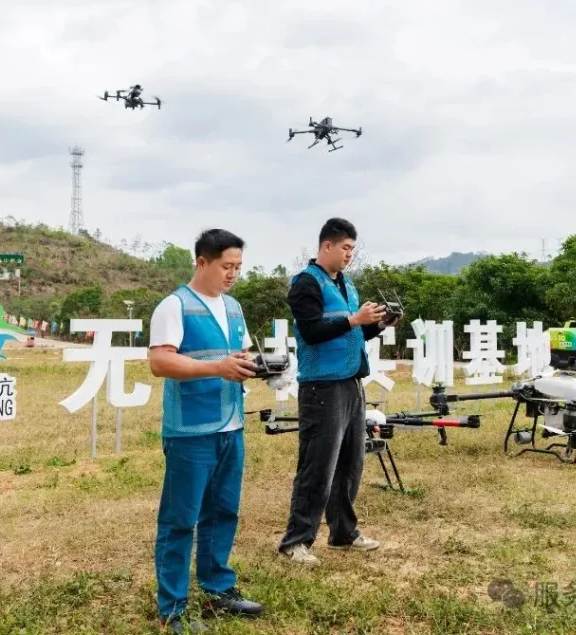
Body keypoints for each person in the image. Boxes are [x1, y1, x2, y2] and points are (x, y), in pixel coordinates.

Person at [148, 228, 264, 633]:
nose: (232, 274)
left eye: (238, 267)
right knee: (181, 519)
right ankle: (172, 608)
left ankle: (218, 587)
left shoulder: (233, 307)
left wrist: (261, 367)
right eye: (226, 266)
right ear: (202, 262)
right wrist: (217, 367)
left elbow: (241, 354)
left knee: (223, 511)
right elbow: (161, 363)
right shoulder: (174, 306)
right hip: (191, 430)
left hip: (231, 425)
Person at [277, 217, 401, 566]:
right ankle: (296, 540)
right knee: (318, 464)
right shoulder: (305, 284)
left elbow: (354, 334)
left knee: (350, 462)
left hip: (351, 382)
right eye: (345, 248)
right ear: (326, 246)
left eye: (352, 249)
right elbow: (313, 331)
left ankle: (343, 532)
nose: (349, 255)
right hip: (322, 386)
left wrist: (377, 324)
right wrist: (354, 320)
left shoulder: (348, 286)